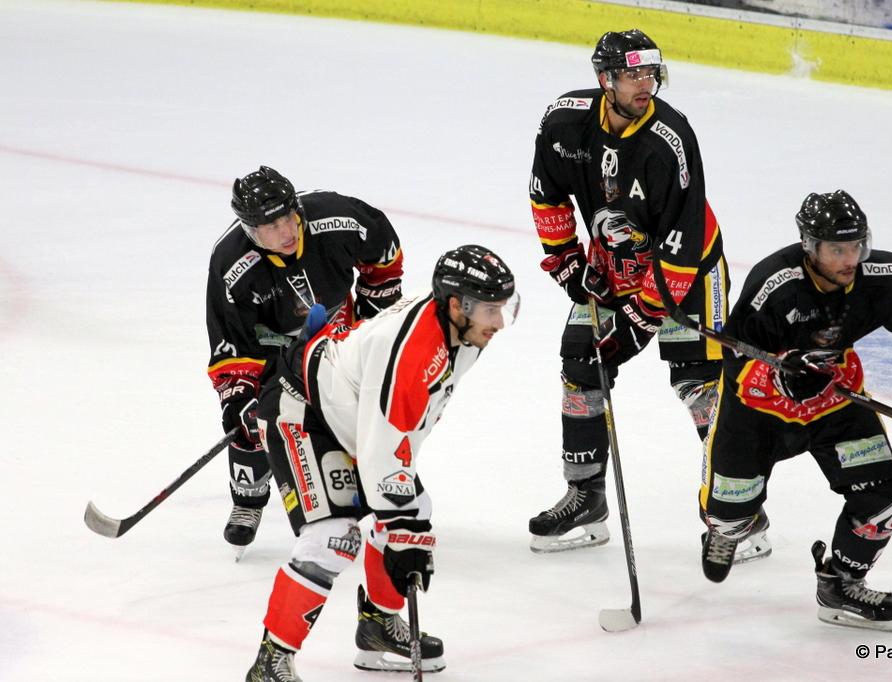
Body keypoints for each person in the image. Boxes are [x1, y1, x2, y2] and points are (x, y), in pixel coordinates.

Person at [526, 29, 771, 558]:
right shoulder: (564, 123)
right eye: (633, 74)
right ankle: (586, 496)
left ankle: (739, 514)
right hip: (614, 267)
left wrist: (641, 317)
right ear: (605, 80)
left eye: (650, 73)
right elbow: (546, 196)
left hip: (689, 272)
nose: (645, 84)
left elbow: (682, 243)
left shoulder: (669, 139)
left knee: (699, 382)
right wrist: (568, 263)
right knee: (581, 361)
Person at [698, 189, 892, 632]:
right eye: (837, 249)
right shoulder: (776, 283)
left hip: (834, 401)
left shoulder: (885, 278)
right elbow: (737, 356)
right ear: (810, 246)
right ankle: (732, 527)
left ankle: (840, 584)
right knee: (728, 517)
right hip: (757, 410)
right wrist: (781, 374)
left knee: (883, 503)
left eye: (856, 246)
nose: (850, 259)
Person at [244, 245, 519, 680]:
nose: (499, 322)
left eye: (503, 308)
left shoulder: (461, 333)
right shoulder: (415, 353)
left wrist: (404, 527)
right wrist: (402, 533)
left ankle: (377, 627)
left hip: (350, 413)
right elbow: (380, 451)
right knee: (332, 537)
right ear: (456, 305)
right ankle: (270, 661)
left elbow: (400, 433)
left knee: (412, 512)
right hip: (303, 409)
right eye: (490, 310)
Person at [206, 166, 404, 554]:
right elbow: (231, 341)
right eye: (271, 226)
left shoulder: (335, 217)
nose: (286, 231)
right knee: (253, 420)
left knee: (348, 414)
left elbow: (383, 250)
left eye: (288, 217)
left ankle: (357, 493)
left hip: (334, 335)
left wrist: (372, 316)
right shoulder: (231, 263)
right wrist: (239, 397)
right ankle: (248, 500)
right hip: (269, 347)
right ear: (251, 230)